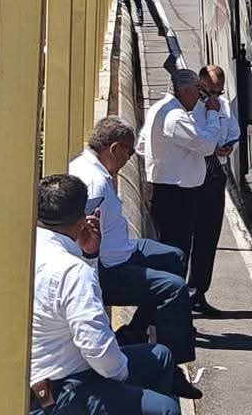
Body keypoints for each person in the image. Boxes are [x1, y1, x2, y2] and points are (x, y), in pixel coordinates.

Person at [68, 117, 200, 399]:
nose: (129, 159)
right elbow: (77, 234)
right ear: (114, 149)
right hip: (109, 266)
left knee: (174, 258)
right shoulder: (93, 182)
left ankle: (135, 331)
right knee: (173, 289)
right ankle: (173, 364)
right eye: (128, 152)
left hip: (124, 248)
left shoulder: (94, 169)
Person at [30, 173, 181, 415]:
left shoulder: (32, 250)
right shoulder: (72, 271)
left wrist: (89, 255)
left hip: (44, 378)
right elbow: (97, 350)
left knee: (161, 357)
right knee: (166, 409)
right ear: (81, 222)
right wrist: (122, 375)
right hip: (61, 391)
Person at [139, 67, 216, 267]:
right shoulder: (175, 117)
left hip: (162, 188)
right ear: (187, 90)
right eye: (198, 89)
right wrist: (213, 115)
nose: (200, 97)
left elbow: (141, 146)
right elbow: (207, 146)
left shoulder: (157, 109)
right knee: (177, 252)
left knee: (166, 249)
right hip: (176, 194)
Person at [189, 65, 243, 313]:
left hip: (215, 173)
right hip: (192, 174)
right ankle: (182, 295)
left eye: (218, 93)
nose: (214, 97)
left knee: (208, 236)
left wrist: (228, 145)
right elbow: (196, 140)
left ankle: (199, 291)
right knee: (185, 236)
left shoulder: (221, 104)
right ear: (200, 85)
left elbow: (233, 130)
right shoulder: (190, 106)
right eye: (209, 91)